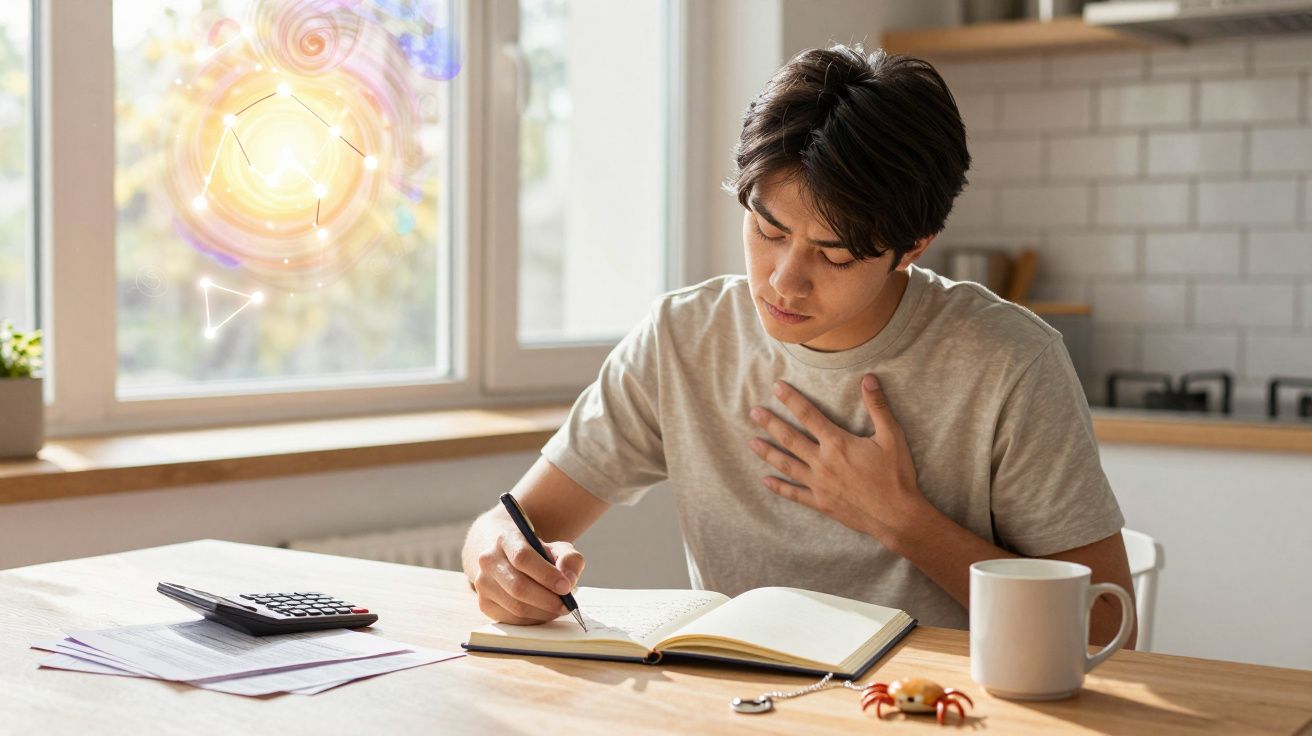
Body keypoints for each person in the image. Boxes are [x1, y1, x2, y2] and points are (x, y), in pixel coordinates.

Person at [461, 45, 1135, 646]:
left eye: (834, 255)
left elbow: (1107, 628)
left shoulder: (1009, 363)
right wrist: (497, 560)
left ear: (912, 249)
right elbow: (511, 522)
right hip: (739, 708)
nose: (784, 281)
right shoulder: (684, 339)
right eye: (767, 228)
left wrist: (902, 522)